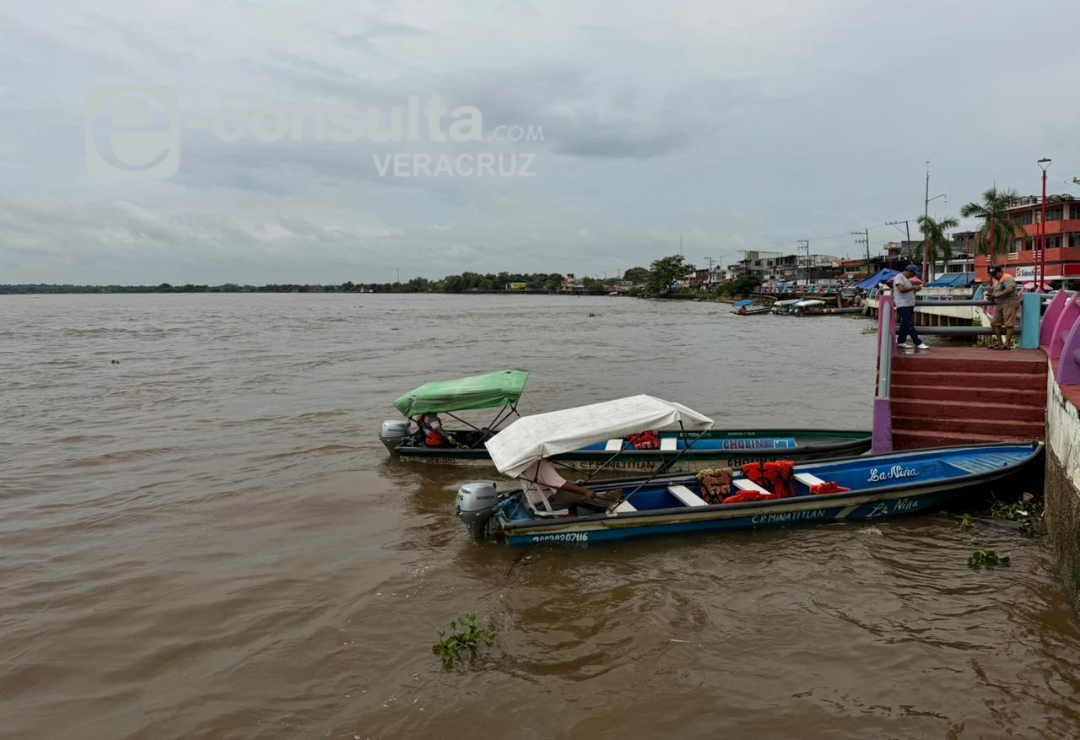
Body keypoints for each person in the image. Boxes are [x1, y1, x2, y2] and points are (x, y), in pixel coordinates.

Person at [519, 458, 622, 513]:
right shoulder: (541, 465)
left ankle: (599, 501)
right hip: (544, 503)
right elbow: (561, 484)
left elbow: (553, 483)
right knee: (579, 493)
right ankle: (607, 502)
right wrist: (585, 491)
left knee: (575, 488)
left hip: (537, 500)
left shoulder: (530, 463)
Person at [892, 264, 929, 350]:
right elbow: (901, 289)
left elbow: (908, 290)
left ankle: (901, 342)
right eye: (913, 273)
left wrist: (915, 289)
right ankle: (918, 342)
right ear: (909, 271)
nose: (914, 275)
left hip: (908, 304)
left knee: (905, 324)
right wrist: (913, 287)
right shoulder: (899, 277)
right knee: (909, 324)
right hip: (903, 304)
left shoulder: (906, 279)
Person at [986, 265, 1020, 350]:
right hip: (1000, 304)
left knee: (1009, 324)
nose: (993, 276)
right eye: (992, 275)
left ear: (1000, 272)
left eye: (994, 274)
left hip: (1009, 302)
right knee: (994, 323)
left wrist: (996, 296)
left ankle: (1007, 344)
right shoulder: (997, 281)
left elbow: (1010, 289)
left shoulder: (1007, 278)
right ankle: (1000, 343)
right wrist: (992, 297)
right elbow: (997, 293)